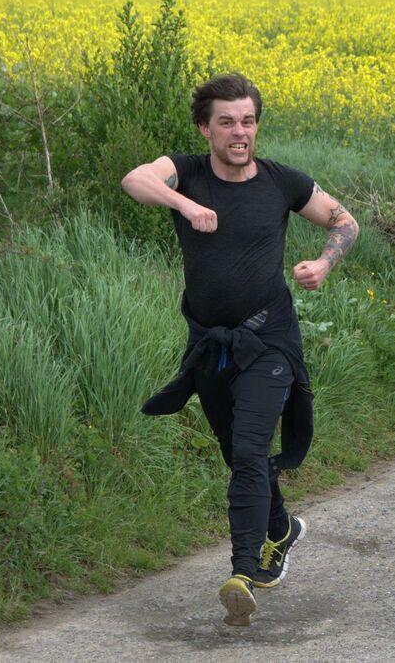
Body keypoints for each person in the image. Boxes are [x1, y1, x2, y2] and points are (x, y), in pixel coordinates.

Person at [121, 73, 359, 626]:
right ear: (205, 128)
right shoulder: (187, 172)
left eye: (248, 121)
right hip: (210, 344)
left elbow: (344, 220)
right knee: (236, 453)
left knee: (250, 451)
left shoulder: (281, 181)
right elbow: (135, 179)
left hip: (269, 340)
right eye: (226, 122)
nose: (239, 132)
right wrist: (184, 205)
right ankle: (282, 529)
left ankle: (243, 572)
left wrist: (324, 263)